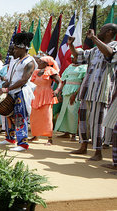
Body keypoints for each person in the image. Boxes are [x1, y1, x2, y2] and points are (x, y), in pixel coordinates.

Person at [68, 24, 117, 161]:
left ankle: (97, 152)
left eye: (101, 30)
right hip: (88, 89)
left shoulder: (114, 45)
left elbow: (109, 54)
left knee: (97, 122)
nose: (98, 32)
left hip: (101, 91)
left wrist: (94, 37)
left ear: (109, 32)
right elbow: (79, 56)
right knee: (83, 120)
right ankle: (83, 146)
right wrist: (71, 45)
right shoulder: (94, 50)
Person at [0, 32, 37, 151]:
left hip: (21, 92)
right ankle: (10, 137)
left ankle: (23, 143)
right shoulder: (17, 61)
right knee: (8, 114)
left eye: (15, 49)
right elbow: (11, 79)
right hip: (12, 90)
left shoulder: (29, 62)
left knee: (20, 117)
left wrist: (8, 88)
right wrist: (4, 86)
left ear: (22, 48)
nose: (13, 51)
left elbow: (24, 80)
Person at [54, 50, 87, 139]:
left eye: (75, 57)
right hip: (66, 91)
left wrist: (75, 94)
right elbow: (63, 80)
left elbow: (84, 83)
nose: (72, 59)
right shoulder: (69, 67)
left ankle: (73, 134)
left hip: (76, 92)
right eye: (72, 58)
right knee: (64, 111)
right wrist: (60, 92)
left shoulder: (84, 67)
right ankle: (66, 132)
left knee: (73, 112)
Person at [28, 56, 61, 145]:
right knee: (34, 116)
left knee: (47, 117)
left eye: (40, 61)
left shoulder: (50, 70)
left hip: (46, 95)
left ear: (46, 63)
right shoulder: (36, 72)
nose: (38, 63)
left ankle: (49, 139)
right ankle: (35, 135)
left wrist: (57, 90)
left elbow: (60, 82)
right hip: (36, 95)